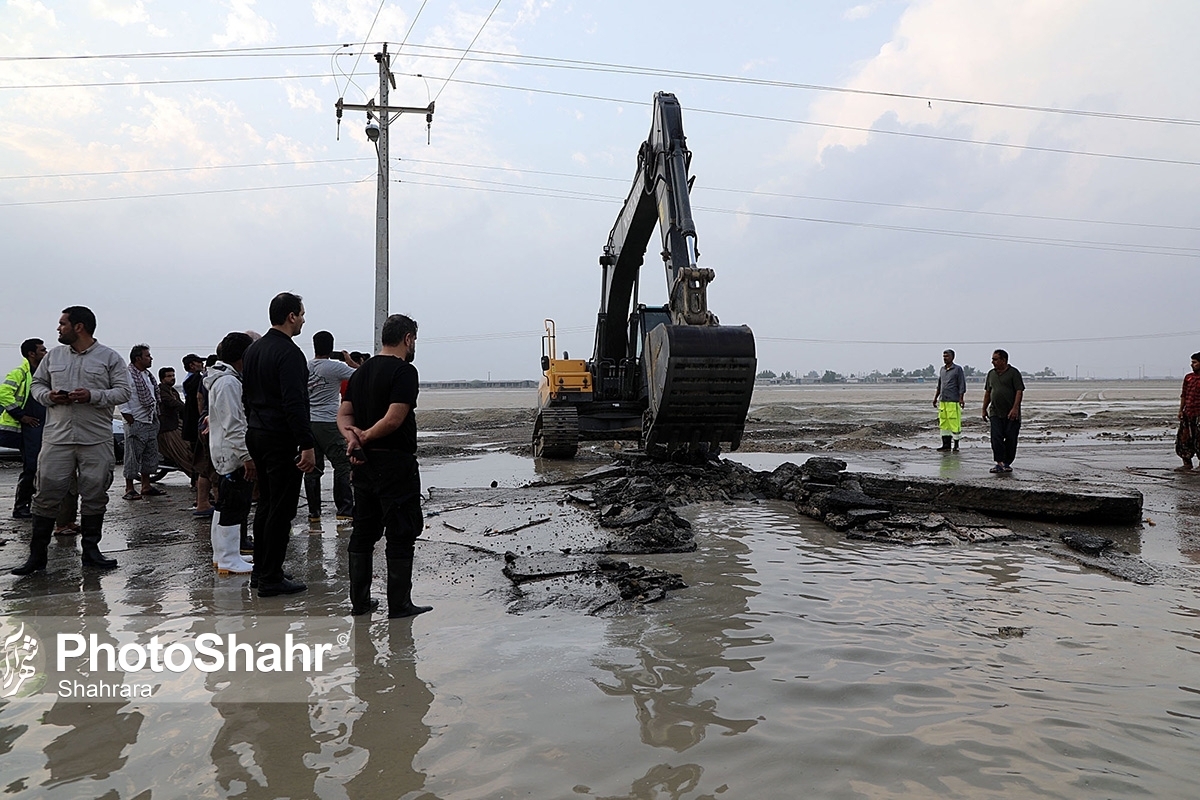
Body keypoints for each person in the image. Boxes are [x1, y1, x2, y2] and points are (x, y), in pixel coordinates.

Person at [12, 306, 131, 575]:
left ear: (79, 327)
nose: (58, 328)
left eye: (62, 323)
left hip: (95, 438)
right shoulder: (53, 356)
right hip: (57, 438)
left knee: (95, 493)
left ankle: (91, 552)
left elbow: (123, 392)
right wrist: (49, 396)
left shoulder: (109, 357)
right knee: (45, 493)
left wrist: (92, 395)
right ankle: (37, 557)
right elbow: (36, 385)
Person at [338, 313, 432, 618]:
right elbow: (394, 419)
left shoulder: (359, 374)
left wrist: (352, 437)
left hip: (363, 463)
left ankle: (360, 604)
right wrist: (362, 436)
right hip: (394, 462)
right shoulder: (404, 372)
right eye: (414, 339)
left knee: (363, 531)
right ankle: (400, 605)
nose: (414, 345)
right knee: (401, 531)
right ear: (407, 338)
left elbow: (344, 414)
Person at [242, 292, 315, 597]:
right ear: (291, 317)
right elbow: (294, 402)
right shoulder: (289, 353)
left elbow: (247, 396)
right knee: (281, 509)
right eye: (301, 314)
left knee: (267, 504)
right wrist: (306, 444)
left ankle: (262, 571)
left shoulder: (254, 350)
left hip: (257, 432)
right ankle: (270, 576)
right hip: (279, 436)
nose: (303, 319)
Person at [205, 332, 257, 575]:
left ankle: (222, 555)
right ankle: (228, 557)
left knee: (224, 505)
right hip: (232, 453)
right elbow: (234, 424)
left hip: (225, 450)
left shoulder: (222, 379)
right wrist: (247, 457)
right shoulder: (229, 383)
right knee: (234, 506)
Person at [304, 330, 359, 523]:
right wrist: (350, 361)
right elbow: (362, 375)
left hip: (308, 422)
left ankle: (313, 512)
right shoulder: (335, 367)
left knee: (311, 467)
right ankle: (344, 508)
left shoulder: (305, 366)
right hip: (328, 422)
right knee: (342, 465)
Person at [0, 338, 48, 518]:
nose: (46, 353)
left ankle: (33, 505)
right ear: (31, 353)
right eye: (42, 350)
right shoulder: (20, 372)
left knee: (40, 468)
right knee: (32, 467)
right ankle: (21, 507)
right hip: (28, 428)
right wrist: (22, 416)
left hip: (42, 427)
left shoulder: (43, 373)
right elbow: (3, 394)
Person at [120, 344, 164, 500]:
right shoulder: (127, 375)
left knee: (150, 455)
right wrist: (130, 419)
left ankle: (146, 485)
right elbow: (123, 398)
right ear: (138, 358)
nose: (150, 358)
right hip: (136, 421)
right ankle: (129, 488)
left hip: (150, 419)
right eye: (147, 356)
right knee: (132, 456)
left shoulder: (147, 375)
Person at [181, 353, 215, 517]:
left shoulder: (198, 378)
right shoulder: (199, 379)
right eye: (198, 362)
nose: (201, 365)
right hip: (205, 425)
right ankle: (207, 501)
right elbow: (199, 399)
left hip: (200, 423)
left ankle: (202, 500)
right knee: (210, 466)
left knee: (202, 464)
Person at [981, 349, 1025, 474]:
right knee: (996, 438)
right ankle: (999, 463)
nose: (992, 362)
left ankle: (1007, 463)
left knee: (1011, 438)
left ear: (1004, 360)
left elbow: (1019, 391)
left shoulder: (1014, 373)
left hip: (1011, 413)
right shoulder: (991, 374)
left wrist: (1015, 408)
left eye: (995, 359)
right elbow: (988, 392)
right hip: (995, 412)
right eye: (992, 359)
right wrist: (984, 409)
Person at [157, 365, 195, 481]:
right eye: (169, 376)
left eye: (173, 375)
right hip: (168, 427)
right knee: (184, 452)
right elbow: (172, 403)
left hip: (177, 423)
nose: (172, 378)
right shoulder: (161, 391)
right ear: (162, 379)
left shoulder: (173, 391)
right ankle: (195, 478)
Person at [932, 348, 966, 452]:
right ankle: (945, 445)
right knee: (944, 423)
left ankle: (956, 445)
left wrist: (961, 398)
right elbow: (939, 385)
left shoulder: (957, 369)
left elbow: (962, 384)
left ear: (952, 357)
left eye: (947, 356)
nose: (945, 358)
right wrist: (935, 398)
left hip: (953, 401)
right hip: (943, 401)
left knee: (954, 423)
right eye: (944, 356)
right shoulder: (942, 370)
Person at [1175, 352, 1200, 470]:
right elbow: (1184, 394)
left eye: (1195, 362)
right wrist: (1181, 410)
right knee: (1183, 438)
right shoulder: (1188, 377)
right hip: (1188, 412)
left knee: (1199, 438)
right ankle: (1187, 463)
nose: (1192, 365)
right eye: (1192, 362)